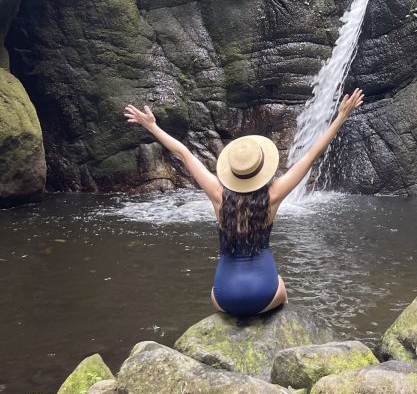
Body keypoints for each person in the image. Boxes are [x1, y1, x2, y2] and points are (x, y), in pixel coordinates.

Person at [123, 88, 365, 316]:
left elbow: (184, 154)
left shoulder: (218, 195)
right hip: (265, 295)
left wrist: (152, 127)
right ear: (263, 169)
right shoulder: (273, 196)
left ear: (231, 171)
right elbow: (311, 156)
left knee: (217, 288)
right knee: (281, 284)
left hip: (223, 299)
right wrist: (341, 117)